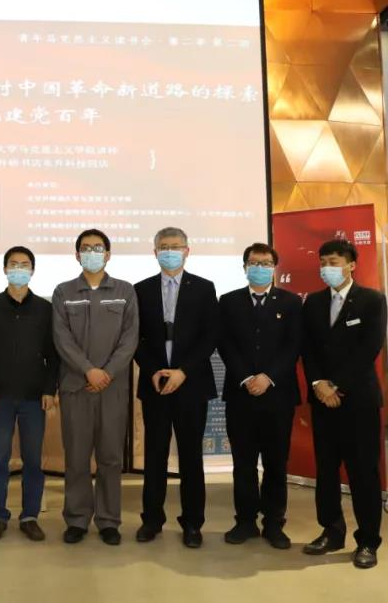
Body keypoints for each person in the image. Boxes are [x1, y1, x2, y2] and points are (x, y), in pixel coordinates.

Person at [301, 239, 387, 569]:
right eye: (323, 262)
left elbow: (369, 348)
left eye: (334, 261)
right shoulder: (313, 302)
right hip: (322, 399)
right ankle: (332, 531)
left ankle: (368, 540)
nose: (327, 267)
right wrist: (318, 384)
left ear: (351, 265)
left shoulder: (372, 300)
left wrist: (336, 385)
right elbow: (308, 348)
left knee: (363, 472)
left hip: (358, 400)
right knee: (326, 470)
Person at [133, 227, 218, 548]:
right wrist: (152, 369)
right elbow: (135, 337)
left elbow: (210, 336)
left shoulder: (204, 288)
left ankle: (193, 523)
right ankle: (152, 520)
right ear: (155, 253)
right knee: (154, 455)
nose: (170, 251)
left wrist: (183, 371)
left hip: (191, 384)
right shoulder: (141, 289)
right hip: (155, 384)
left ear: (187, 251)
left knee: (191, 457)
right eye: (164, 247)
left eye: (176, 246)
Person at [52, 228, 139, 546]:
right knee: (76, 457)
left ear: (108, 254)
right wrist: (88, 371)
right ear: (77, 255)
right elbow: (62, 338)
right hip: (76, 387)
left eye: (97, 248)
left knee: (110, 458)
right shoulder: (63, 292)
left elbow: (130, 338)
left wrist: (106, 373)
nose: (92, 253)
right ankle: (76, 519)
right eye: (86, 248)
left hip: (112, 389)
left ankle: (108, 520)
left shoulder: (125, 291)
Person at [217, 243, 302, 549]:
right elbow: (224, 343)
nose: (260, 268)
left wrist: (268, 377)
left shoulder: (291, 302)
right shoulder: (228, 301)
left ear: (274, 268)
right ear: (244, 267)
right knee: (243, 463)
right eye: (254, 263)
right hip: (240, 395)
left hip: (278, 395)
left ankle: (274, 523)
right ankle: (245, 521)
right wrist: (246, 377)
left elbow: (294, 345)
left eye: (266, 263)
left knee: (276, 463)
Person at [0, 246, 58, 542]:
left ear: (32, 271)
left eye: (25, 265)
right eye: (14, 264)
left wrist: (50, 389)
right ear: (5, 269)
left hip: (34, 397)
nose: (19, 269)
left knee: (32, 460)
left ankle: (29, 516)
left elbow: (53, 354)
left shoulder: (45, 309)